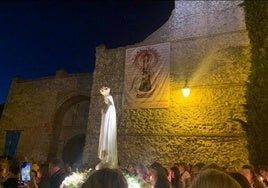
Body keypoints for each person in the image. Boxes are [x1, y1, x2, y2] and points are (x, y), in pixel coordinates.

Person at [97, 86, 118, 169]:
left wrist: (104, 114)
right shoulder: (109, 108)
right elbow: (106, 118)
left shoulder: (111, 108)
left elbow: (108, 119)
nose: (104, 100)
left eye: (105, 99)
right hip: (106, 130)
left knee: (107, 143)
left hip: (108, 131)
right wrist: (103, 114)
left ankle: (108, 159)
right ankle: (104, 159)